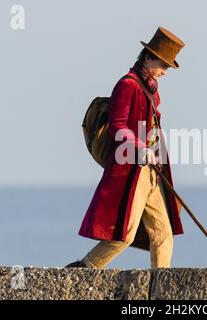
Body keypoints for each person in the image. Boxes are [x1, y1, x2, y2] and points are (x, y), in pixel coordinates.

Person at [65, 26, 185, 269]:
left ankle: (160, 288)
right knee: (124, 235)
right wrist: (140, 147)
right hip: (132, 170)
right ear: (148, 57)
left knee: (163, 233)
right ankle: (83, 269)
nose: (165, 71)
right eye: (162, 64)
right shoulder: (128, 85)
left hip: (151, 171)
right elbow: (117, 126)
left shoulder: (151, 90)